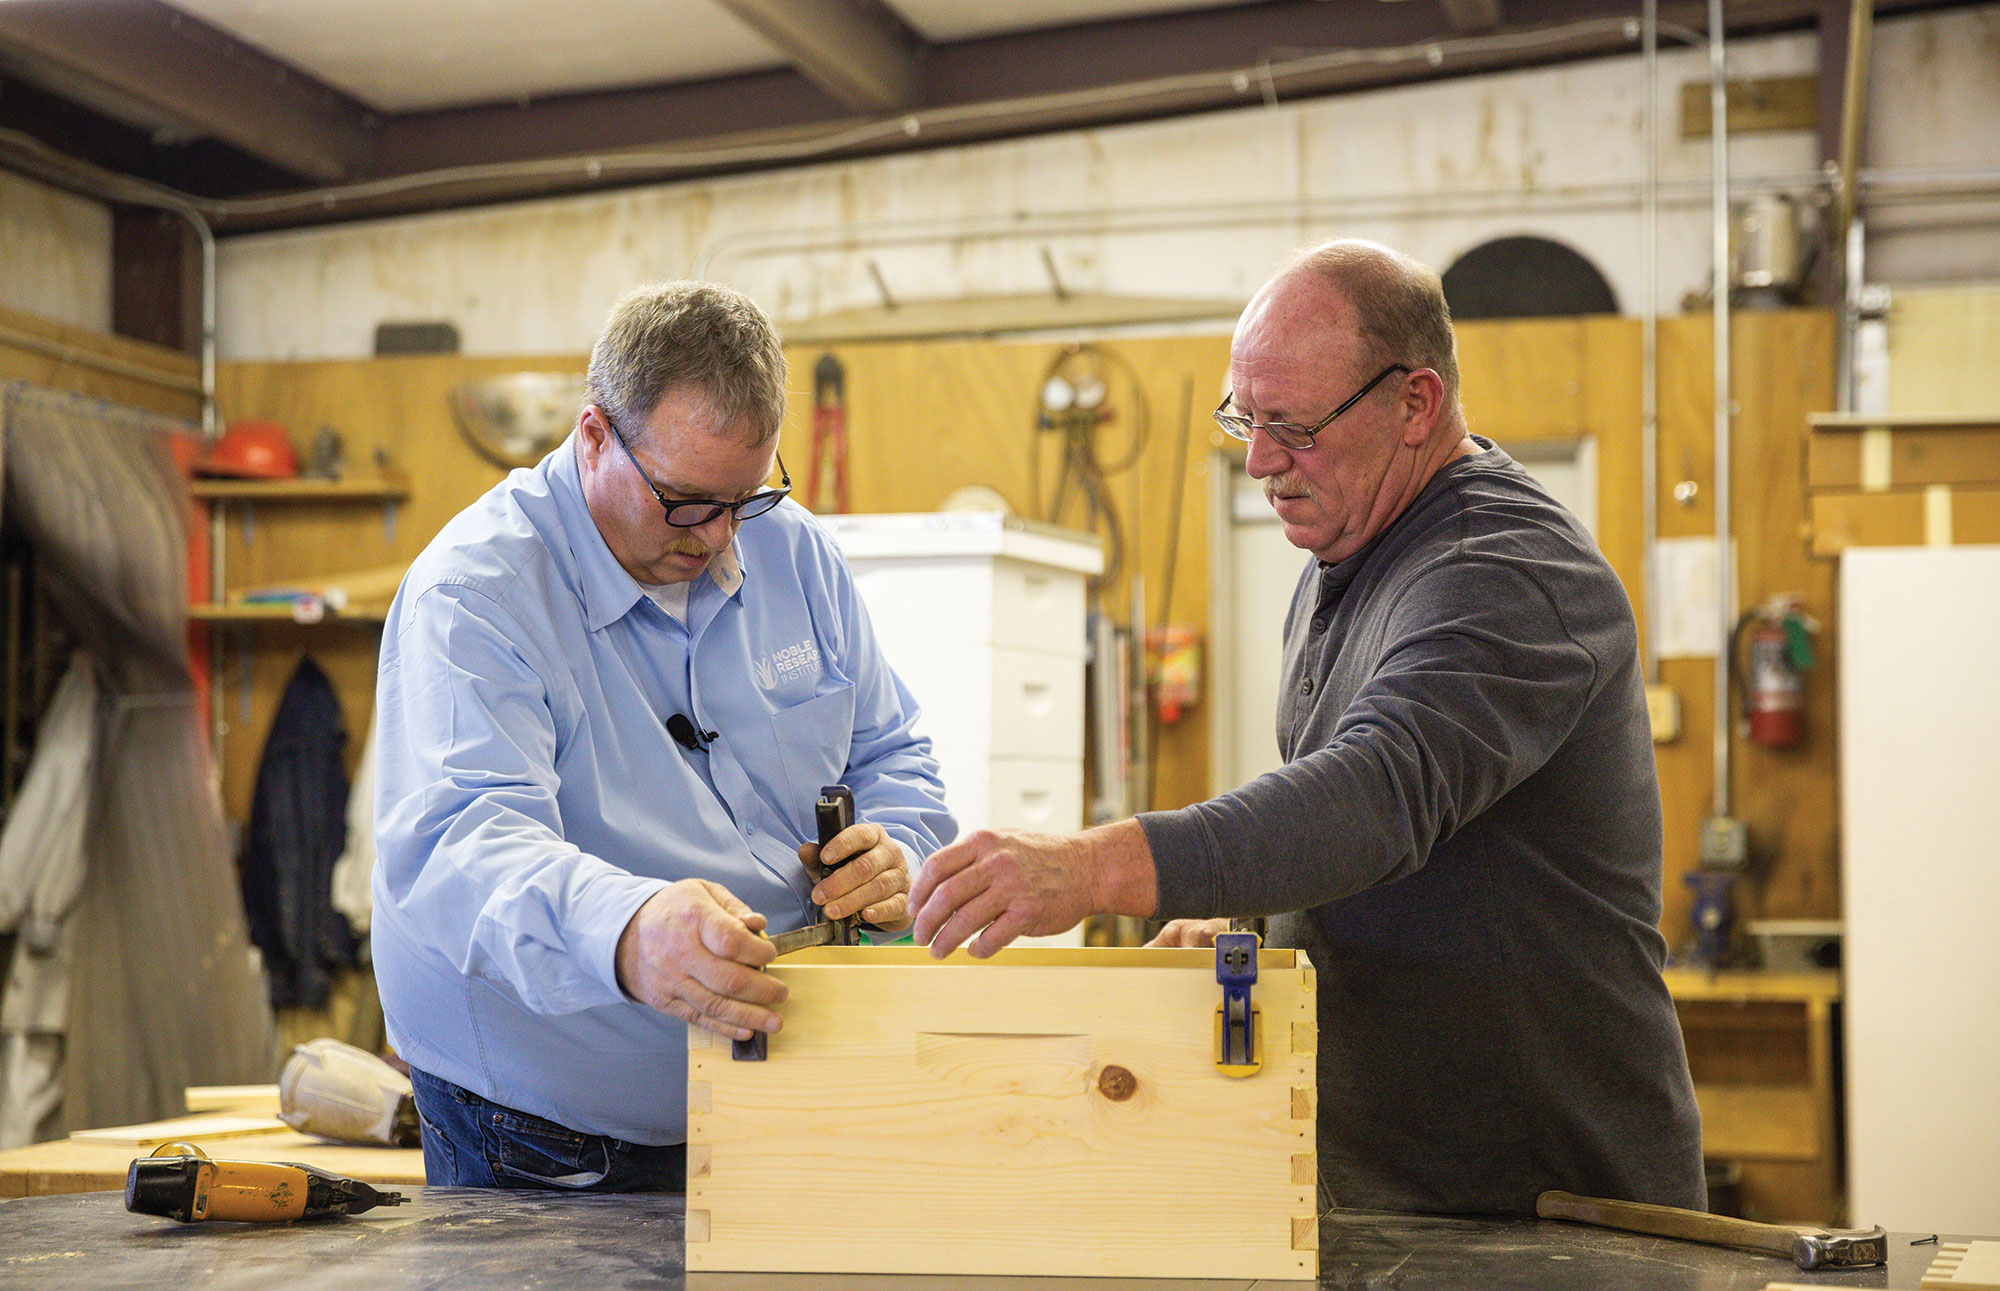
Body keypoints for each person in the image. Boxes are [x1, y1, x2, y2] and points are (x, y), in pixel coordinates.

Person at [908, 239, 1704, 1216]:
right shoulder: (1347, 558)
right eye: (1244, 419)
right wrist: (1250, 921)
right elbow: (1381, 852)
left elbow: (1376, 796)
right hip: (1396, 1188)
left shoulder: (1503, 573)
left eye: (1292, 426)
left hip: (1543, 1204)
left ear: (1413, 404)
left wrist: (1089, 867)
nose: (1259, 462)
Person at [373, 280, 955, 1191]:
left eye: (744, 498)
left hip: (777, 1102)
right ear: (595, 434)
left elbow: (894, 755)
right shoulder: (476, 595)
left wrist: (902, 852)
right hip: (543, 1137)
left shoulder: (793, 554)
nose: (718, 537)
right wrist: (628, 932)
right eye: (685, 501)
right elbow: (461, 848)